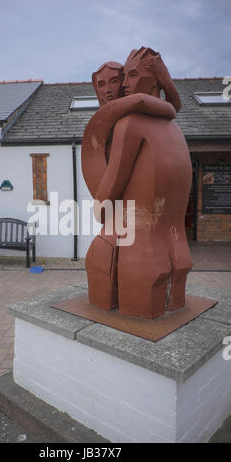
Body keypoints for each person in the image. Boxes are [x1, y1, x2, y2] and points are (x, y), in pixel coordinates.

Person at [82, 47, 192, 318]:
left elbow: (107, 199)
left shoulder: (129, 125)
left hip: (134, 253)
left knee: (100, 256)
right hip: (176, 250)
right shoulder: (172, 128)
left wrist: (100, 210)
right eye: (101, 84)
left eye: (123, 79)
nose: (118, 88)